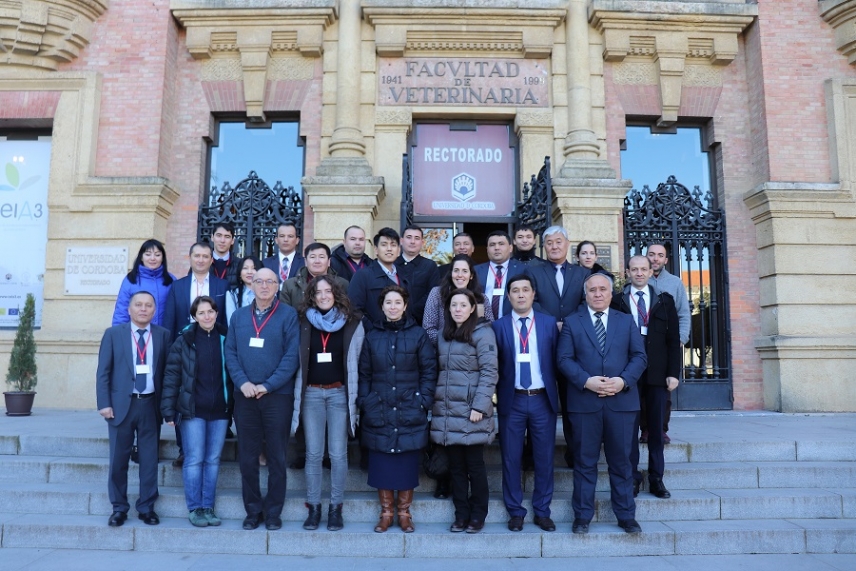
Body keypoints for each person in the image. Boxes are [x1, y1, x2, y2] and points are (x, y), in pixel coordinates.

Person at [557, 272, 647, 535]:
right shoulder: (573, 322)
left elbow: (639, 356)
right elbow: (563, 359)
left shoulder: (626, 320)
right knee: (584, 463)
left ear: (610, 293)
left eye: (602, 290)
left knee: (622, 463)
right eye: (592, 290)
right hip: (585, 402)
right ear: (585, 294)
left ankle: (626, 516)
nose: (597, 294)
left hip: (621, 402)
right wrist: (586, 381)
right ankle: (583, 516)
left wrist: (622, 381)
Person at [224, 267, 300, 531]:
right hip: (244, 396)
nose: (265, 286)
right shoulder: (238, 316)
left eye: (270, 281)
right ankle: (253, 510)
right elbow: (230, 353)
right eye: (259, 281)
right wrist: (243, 383)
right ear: (251, 285)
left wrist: (267, 385)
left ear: (277, 286)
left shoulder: (288, 315)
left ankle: (274, 511)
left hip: (277, 396)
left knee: (277, 457)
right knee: (247, 457)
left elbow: (291, 357)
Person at [358, 285, 437, 533]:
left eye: (397, 302)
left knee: (405, 465)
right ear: (382, 307)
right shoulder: (372, 336)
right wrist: (366, 401)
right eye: (388, 303)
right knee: (382, 464)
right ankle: (386, 512)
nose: (393, 307)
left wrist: (423, 400)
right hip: (379, 408)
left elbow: (429, 371)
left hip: (409, 408)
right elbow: (364, 374)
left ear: (405, 306)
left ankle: (404, 512)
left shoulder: (418, 335)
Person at [293, 275, 365, 531]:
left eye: (328, 291)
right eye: (318, 292)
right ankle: (313, 507)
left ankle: (336, 508)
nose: (323, 296)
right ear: (311, 296)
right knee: (313, 454)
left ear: (336, 293)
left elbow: (359, 363)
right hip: (311, 395)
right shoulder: (302, 322)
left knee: (337, 454)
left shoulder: (352, 323)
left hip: (339, 395)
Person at [492, 274, 561, 533]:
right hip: (513, 400)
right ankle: (515, 511)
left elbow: (558, 361)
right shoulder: (497, 327)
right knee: (511, 458)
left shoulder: (548, 324)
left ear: (534, 294)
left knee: (544, 457)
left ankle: (542, 511)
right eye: (515, 291)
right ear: (508, 296)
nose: (520, 294)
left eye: (525, 290)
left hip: (542, 399)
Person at [96, 291, 171, 527]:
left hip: (150, 404)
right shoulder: (113, 334)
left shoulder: (163, 335)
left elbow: (168, 373)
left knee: (149, 460)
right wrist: (104, 403)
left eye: (148, 305)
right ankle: (119, 508)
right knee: (118, 459)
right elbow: (103, 372)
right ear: (129, 309)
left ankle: (146, 507)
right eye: (138, 305)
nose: (143, 309)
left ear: (154, 310)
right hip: (120, 407)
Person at [612, 256, 681, 499]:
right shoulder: (617, 301)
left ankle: (656, 478)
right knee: (629, 428)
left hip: (657, 374)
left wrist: (674, 373)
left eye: (644, 269)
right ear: (627, 272)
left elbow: (673, 341)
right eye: (634, 269)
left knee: (654, 428)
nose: (639, 273)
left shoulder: (664, 301)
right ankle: (632, 477)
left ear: (651, 272)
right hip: (627, 374)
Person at [160, 295, 232, 527]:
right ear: (194, 316)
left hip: (220, 411)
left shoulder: (226, 337)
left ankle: (208, 507)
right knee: (194, 459)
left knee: (212, 460)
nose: (207, 316)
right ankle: (194, 508)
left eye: (210, 311)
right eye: (201, 313)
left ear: (216, 312)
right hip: (193, 411)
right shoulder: (184, 340)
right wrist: (168, 410)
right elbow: (171, 377)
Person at [431, 288, 498, 534]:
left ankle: (478, 514)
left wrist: (480, 406)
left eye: (463, 305)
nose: (458, 309)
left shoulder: (483, 333)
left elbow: (490, 372)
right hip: (448, 410)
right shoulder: (443, 335)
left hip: (472, 411)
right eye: (454, 305)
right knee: (456, 467)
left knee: (475, 466)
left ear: (472, 308)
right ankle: (461, 515)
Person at [527, 226, 590, 469]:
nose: (554, 246)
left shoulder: (582, 273)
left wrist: (569, 324)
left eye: (558, 242)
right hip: (542, 342)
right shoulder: (533, 271)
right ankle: (533, 456)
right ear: (544, 246)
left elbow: (587, 302)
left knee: (572, 401)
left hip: (574, 347)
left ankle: (574, 455)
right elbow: (531, 300)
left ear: (567, 243)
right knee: (539, 401)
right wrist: (554, 323)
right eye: (550, 242)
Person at [163, 242, 229, 466]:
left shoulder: (222, 285)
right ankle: (184, 449)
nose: (201, 260)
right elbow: (169, 320)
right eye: (197, 256)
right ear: (189, 258)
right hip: (185, 351)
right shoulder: (177, 287)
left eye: (205, 256)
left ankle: (209, 448)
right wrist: (171, 351)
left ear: (212, 260)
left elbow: (226, 320)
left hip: (212, 349)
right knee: (185, 399)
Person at [645, 243, 691, 444]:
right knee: (641, 389)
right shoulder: (638, 279)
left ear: (666, 259)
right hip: (641, 344)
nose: (655, 258)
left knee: (664, 389)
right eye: (652, 254)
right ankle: (645, 429)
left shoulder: (675, 283)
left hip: (665, 345)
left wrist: (681, 338)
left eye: (660, 255)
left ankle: (661, 428)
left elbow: (683, 313)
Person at [423, 254, 493, 345]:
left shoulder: (481, 299)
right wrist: (451, 345)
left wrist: (465, 345)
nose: (460, 275)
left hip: (472, 353)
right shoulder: (436, 294)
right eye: (456, 270)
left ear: (471, 275)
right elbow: (428, 329)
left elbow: (489, 328)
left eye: (464, 271)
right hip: (442, 352)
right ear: (451, 273)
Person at [348, 227, 410, 328]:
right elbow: (353, 309)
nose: (389, 249)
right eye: (384, 244)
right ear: (376, 250)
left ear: (398, 250)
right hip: (373, 337)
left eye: (393, 245)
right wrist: (373, 330)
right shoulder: (363, 275)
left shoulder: (405, 275)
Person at [112, 239, 175, 327]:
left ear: (162, 258)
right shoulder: (130, 279)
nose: (152, 258)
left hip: (164, 335)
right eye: (148, 254)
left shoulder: (171, 280)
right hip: (136, 334)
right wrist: (118, 335)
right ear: (141, 257)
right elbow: (121, 311)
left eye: (157, 255)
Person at [280, 243, 349, 310]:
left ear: (328, 262)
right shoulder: (290, 285)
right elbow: (285, 314)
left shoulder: (342, 284)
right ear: (306, 262)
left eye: (321, 257)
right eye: (312, 257)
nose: (317, 261)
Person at [475, 230, 527, 321]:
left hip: (512, 323)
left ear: (510, 248)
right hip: (482, 325)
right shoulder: (476, 271)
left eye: (501, 244)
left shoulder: (522, 270)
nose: (497, 248)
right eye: (492, 245)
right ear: (487, 249)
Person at [395, 224, 440, 325]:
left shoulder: (430, 266)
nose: (412, 241)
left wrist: (411, 311)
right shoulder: (392, 264)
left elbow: (433, 293)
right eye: (409, 237)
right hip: (392, 321)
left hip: (420, 323)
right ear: (401, 241)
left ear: (422, 242)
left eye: (417, 238)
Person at [226, 255, 263, 323]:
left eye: (254, 268)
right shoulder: (232, 295)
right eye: (245, 268)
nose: (249, 272)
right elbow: (231, 323)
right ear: (240, 273)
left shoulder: (268, 293)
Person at [209, 223, 240, 289]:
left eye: (227, 237)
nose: (222, 240)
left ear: (232, 241)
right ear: (212, 237)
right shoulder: (202, 262)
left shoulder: (240, 264)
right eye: (219, 235)